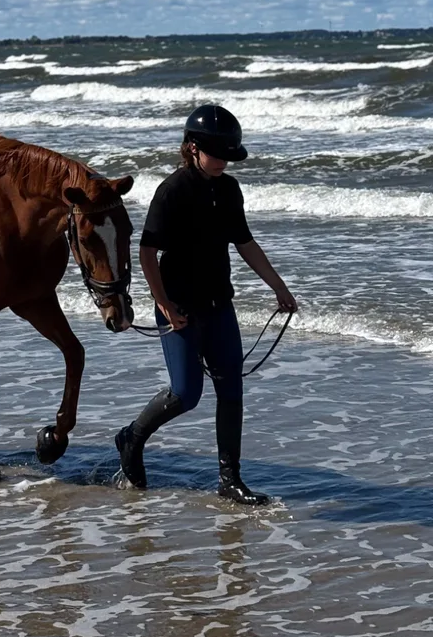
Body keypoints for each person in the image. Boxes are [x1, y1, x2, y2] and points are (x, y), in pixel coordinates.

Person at [115, 104, 298, 502]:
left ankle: (230, 481)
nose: (223, 163)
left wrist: (278, 287)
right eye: (217, 154)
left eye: (229, 156)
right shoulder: (173, 190)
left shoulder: (229, 189)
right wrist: (163, 303)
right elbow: (147, 253)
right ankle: (131, 437)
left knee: (231, 390)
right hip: (178, 305)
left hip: (219, 305)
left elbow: (245, 243)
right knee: (186, 393)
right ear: (193, 147)